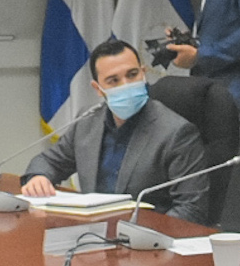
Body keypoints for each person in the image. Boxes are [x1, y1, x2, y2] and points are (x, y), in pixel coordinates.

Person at [21, 39, 209, 220]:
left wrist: (139, 234)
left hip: (144, 236)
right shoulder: (87, 123)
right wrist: (39, 177)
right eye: (113, 80)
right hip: (92, 231)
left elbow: (191, 209)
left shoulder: (176, 133)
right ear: (98, 88)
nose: (126, 85)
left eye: (132, 74)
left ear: (144, 73)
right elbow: (48, 161)